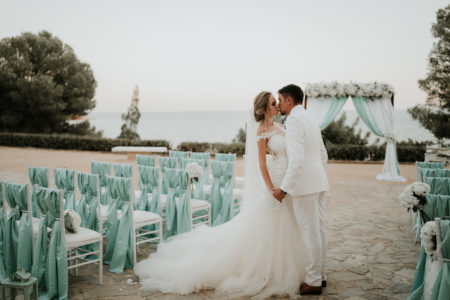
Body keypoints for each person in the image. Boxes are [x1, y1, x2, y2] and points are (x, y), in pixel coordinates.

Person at [134, 91, 307, 299]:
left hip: (285, 178)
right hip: (274, 184)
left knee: (286, 225)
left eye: (276, 102)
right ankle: (268, 270)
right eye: (273, 103)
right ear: (264, 109)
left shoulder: (280, 127)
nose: (277, 106)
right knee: (271, 225)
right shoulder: (261, 131)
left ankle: (286, 265)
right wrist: (271, 189)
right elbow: (261, 164)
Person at [273, 84, 329, 295]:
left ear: (289, 100)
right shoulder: (310, 117)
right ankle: (321, 276)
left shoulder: (294, 120)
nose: (278, 104)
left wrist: (284, 189)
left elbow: (296, 160)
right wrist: (319, 176)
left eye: (280, 100)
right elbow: (323, 153)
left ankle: (313, 281)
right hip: (318, 181)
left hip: (305, 185)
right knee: (319, 231)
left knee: (309, 233)